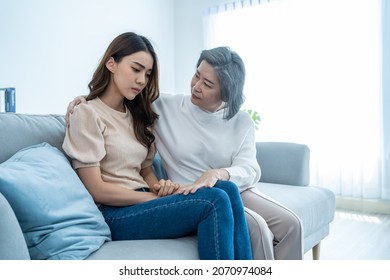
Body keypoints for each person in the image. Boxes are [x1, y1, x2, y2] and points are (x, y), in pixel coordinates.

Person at [67, 45, 303, 260]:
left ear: (226, 94)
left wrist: (159, 187)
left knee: (227, 188)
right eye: (197, 76)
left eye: (147, 74)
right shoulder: (91, 112)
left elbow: (144, 170)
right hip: (117, 212)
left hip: (146, 200)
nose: (141, 81)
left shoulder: (138, 113)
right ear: (111, 64)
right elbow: (96, 188)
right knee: (215, 201)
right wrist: (84, 100)